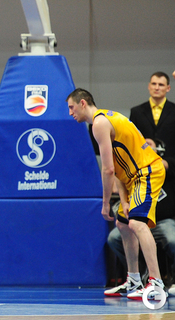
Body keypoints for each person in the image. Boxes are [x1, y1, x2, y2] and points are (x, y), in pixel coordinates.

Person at [66, 88, 167, 301]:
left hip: (148, 171)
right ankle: (134, 280)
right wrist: (123, 200)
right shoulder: (105, 119)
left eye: (71, 107)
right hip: (133, 177)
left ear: (82, 103)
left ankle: (156, 282)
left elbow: (108, 170)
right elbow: (119, 168)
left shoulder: (99, 124)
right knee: (123, 223)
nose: (70, 113)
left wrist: (105, 203)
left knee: (137, 223)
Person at [107, 138, 175, 295]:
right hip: (138, 220)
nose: (146, 146)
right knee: (115, 236)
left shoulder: (163, 166)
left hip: (162, 221)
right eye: (144, 144)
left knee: (172, 239)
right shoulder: (133, 169)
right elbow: (115, 177)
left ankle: (163, 280)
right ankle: (139, 275)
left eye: (150, 145)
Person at [130, 72, 175, 158]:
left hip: (171, 163)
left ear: (168, 88)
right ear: (149, 86)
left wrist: (168, 163)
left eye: (161, 85)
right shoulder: (136, 112)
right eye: (154, 84)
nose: (156, 88)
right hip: (144, 161)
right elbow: (132, 141)